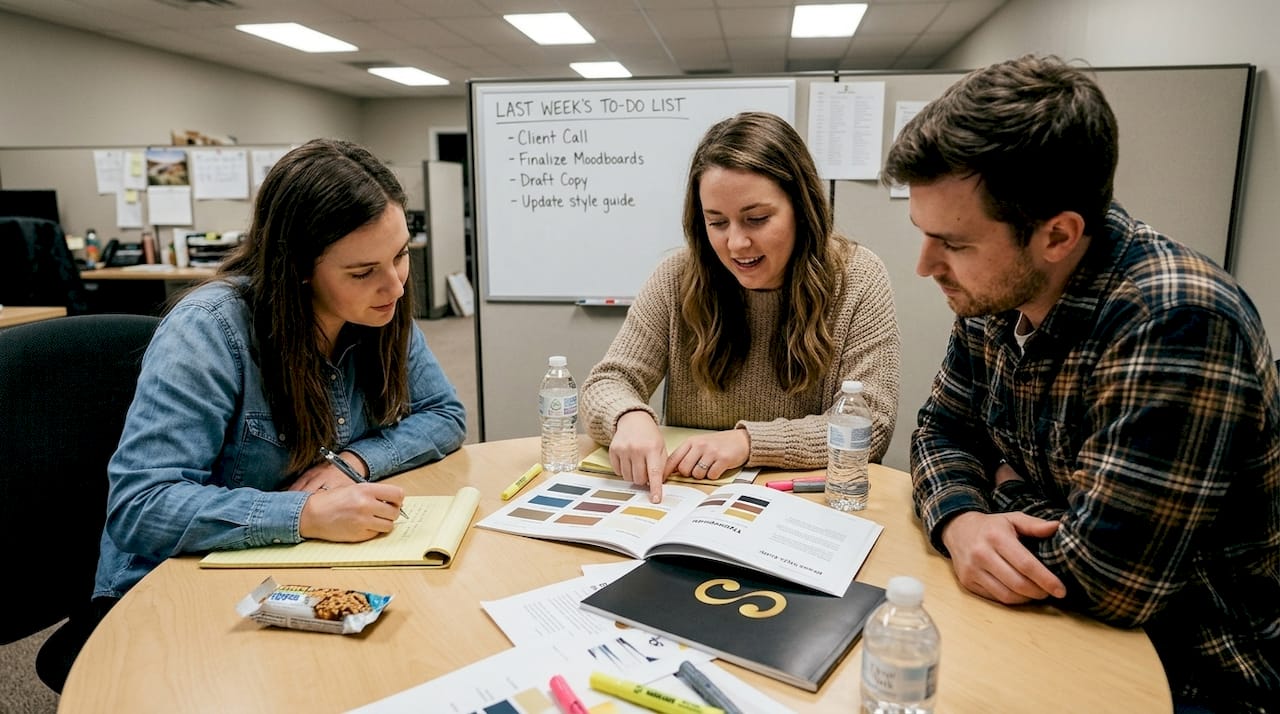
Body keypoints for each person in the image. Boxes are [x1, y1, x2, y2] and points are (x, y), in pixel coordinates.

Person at [884, 55, 1279, 712]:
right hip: (1057, 627)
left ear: (1058, 235)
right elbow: (941, 428)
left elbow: (1108, 580)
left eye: (952, 242)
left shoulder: (1177, 320)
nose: (926, 266)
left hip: (1193, 671)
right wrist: (962, 517)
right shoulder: (997, 292)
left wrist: (1009, 485)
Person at [46, 139, 467, 689]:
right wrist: (305, 516)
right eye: (363, 270)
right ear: (298, 269)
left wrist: (352, 463)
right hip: (178, 589)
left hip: (300, 565)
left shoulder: (382, 307)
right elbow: (140, 506)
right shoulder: (210, 330)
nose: (394, 284)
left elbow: (445, 413)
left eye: (401, 255)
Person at [581, 111, 901, 502]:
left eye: (757, 219)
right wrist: (628, 417)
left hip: (804, 506)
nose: (736, 244)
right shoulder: (676, 276)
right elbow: (608, 381)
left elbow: (873, 425)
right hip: (690, 503)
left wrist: (749, 442)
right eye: (717, 223)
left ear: (801, 208)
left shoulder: (857, 277)